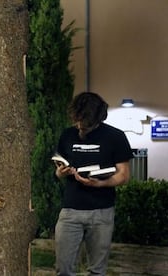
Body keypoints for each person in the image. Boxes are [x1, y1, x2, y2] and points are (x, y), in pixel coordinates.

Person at [54, 92, 133, 275]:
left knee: (97, 271)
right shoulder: (67, 135)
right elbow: (58, 169)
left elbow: (124, 175)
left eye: (85, 123)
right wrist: (60, 172)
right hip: (70, 212)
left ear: (98, 118)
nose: (80, 126)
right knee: (63, 269)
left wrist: (99, 184)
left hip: (101, 212)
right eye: (78, 120)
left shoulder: (115, 136)